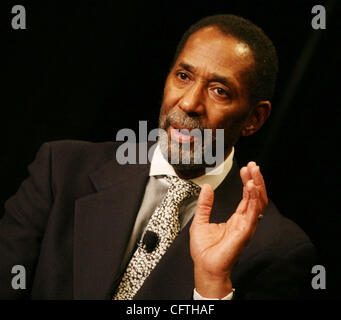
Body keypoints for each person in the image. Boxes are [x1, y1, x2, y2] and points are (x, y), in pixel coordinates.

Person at [0, 14, 316, 300]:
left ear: (254, 119)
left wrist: (212, 286)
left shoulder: (278, 249)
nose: (190, 103)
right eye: (183, 76)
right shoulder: (61, 169)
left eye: (219, 90)